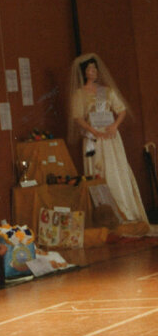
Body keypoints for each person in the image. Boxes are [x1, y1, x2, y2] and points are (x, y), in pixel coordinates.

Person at [67, 53, 149, 225]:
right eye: (90, 69)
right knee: (98, 171)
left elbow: (121, 110)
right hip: (93, 137)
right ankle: (104, 215)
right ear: (84, 73)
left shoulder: (106, 91)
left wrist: (114, 126)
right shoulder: (80, 94)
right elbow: (78, 118)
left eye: (95, 68)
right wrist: (93, 131)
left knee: (115, 170)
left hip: (110, 136)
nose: (93, 72)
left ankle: (125, 210)